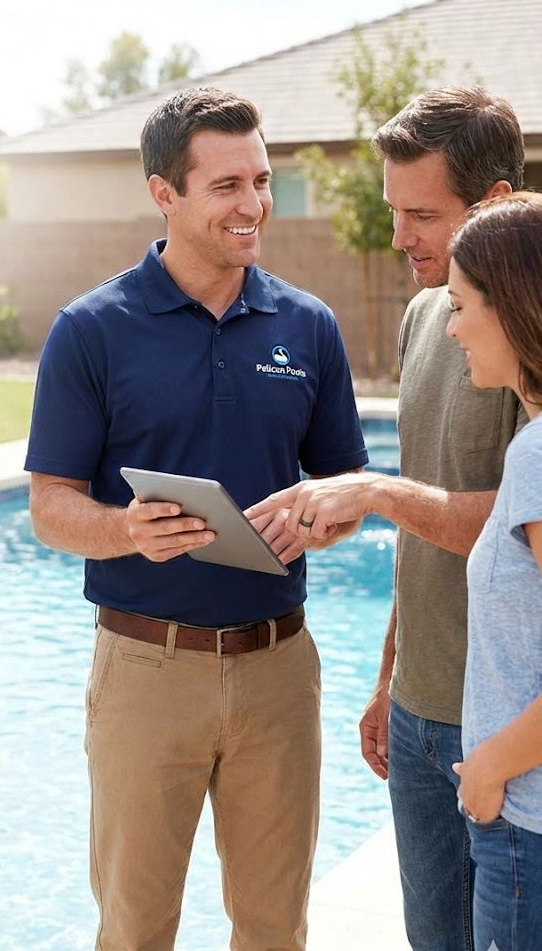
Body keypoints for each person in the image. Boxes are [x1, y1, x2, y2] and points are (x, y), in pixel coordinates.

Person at [24, 86, 368, 951]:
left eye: (261, 180)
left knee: (275, 927)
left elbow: (348, 489)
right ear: (164, 193)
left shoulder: (308, 325)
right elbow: (50, 507)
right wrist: (124, 530)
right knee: (136, 929)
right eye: (226, 186)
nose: (254, 205)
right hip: (146, 671)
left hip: (280, 671)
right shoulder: (91, 330)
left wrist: (324, 518)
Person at [245, 86, 526, 951]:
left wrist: (371, 494)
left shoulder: (532, 340)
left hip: (508, 720)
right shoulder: (422, 314)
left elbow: (518, 524)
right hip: (418, 708)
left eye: (421, 214)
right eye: (391, 210)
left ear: (497, 207)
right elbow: (429, 496)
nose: (399, 237)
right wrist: (388, 674)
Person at [445, 192, 542, 951]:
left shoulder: (537, 455)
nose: (450, 327)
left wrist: (487, 772)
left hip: (524, 823)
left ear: (512, 306)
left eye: (461, 304)